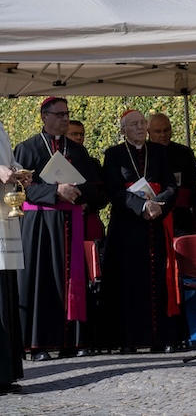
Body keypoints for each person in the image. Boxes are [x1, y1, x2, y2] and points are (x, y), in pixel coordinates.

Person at [13, 97, 104, 361]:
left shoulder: (76, 151)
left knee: (71, 281)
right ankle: (38, 344)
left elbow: (95, 188)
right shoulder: (27, 149)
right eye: (60, 114)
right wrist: (56, 191)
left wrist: (76, 192)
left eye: (67, 114)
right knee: (41, 282)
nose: (65, 119)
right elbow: (20, 189)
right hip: (39, 225)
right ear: (44, 116)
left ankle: (71, 341)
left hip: (70, 225)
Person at [100, 110, 179, 353]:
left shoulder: (158, 152)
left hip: (156, 223)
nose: (140, 127)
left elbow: (170, 185)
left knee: (158, 280)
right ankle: (129, 339)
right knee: (129, 284)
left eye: (143, 123)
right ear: (123, 130)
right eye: (134, 124)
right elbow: (113, 190)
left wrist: (157, 206)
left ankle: (160, 338)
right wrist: (142, 206)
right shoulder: (113, 155)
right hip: (127, 227)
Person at [147, 113, 196, 236]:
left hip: (182, 217)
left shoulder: (184, 153)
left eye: (166, 130)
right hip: (153, 218)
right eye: (158, 131)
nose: (163, 135)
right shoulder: (144, 154)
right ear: (149, 132)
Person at [0, 121, 25, 394]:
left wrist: (17, 170)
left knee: (6, 294)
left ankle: (6, 372)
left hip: (4, 215)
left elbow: (6, 159)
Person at [67, 119, 106, 242]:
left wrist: (87, 205)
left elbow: (103, 194)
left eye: (81, 134)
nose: (79, 137)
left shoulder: (92, 164)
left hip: (89, 219)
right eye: (74, 134)